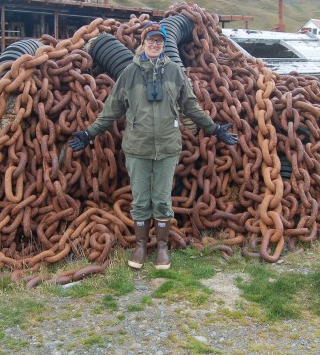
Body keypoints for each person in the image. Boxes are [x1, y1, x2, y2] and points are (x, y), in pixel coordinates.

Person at [69, 21, 237, 270]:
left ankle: (161, 248)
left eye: (159, 41)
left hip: (168, 148)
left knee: (161, 200)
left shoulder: (175, 72)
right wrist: (88, 133)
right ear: (143, 44)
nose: (155, 44)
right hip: (137, 148)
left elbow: (191, 106)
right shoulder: (129, 74)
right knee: (140, 200)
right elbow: (111, 111)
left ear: (163, 44)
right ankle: (139, 246)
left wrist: (214, 129)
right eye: (151, 40)